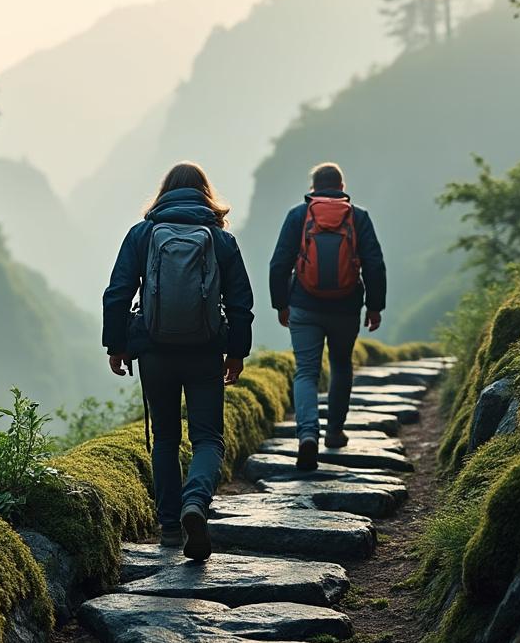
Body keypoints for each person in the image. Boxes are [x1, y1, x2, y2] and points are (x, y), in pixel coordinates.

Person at [103, 162, 254, 561]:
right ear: (206, 193)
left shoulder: (142, 234)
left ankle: (170, 527)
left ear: (163, 192)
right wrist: (237, 352)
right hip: (205, 352)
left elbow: (117, 293)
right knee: (208, 439)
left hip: (154, 352)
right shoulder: (221, 240)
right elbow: (241, 302)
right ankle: (195, 504)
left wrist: (116, 346)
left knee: (166, 439)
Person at [268, 162, 386, 470]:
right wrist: (375, 306)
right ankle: (334, 431)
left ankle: (308, 435)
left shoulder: (298, 216)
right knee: (341, 364)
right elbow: (374, 264)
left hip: (304, 306)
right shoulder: (358, 217)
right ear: (342, 187)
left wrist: (281, 304)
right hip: (346, 307)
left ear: (313, 189)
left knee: (306, 371)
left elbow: (279, 263)